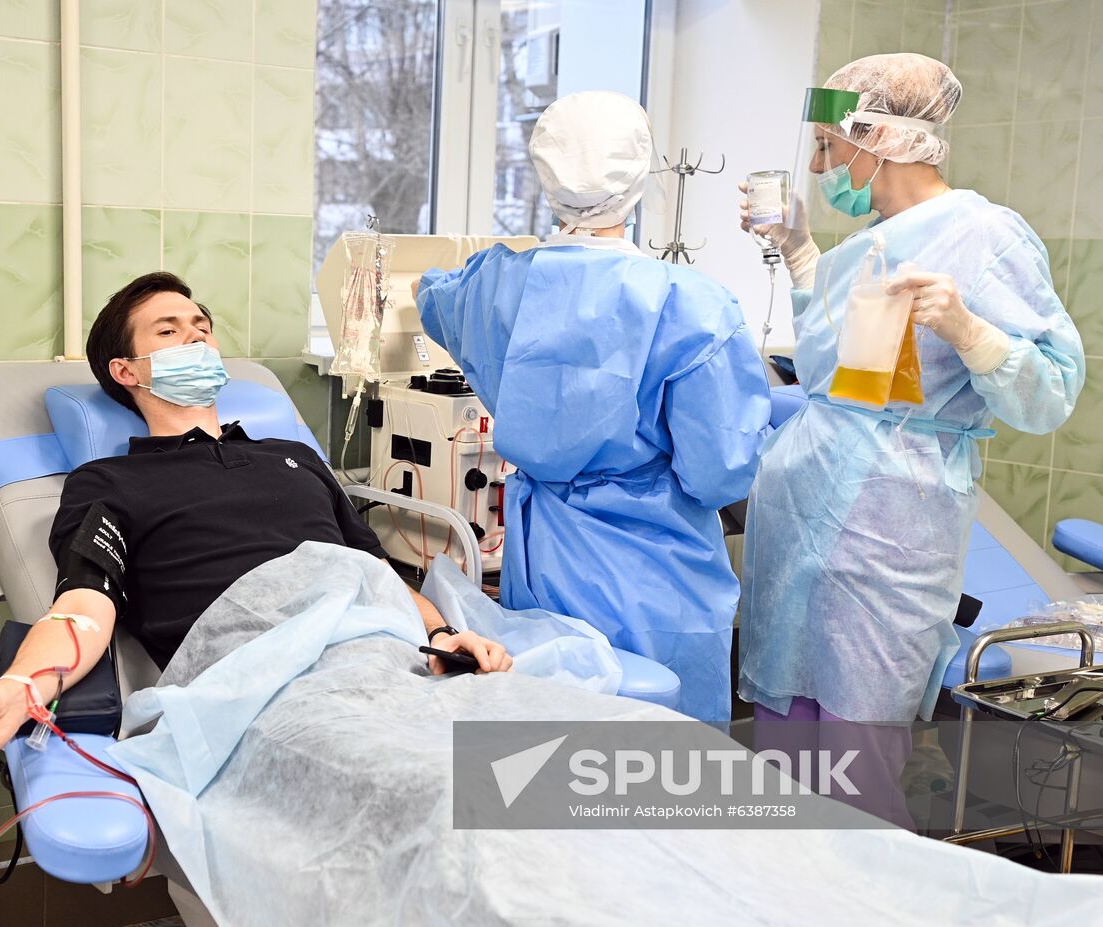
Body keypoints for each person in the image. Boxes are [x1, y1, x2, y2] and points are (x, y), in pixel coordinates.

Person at [0, 272, 512, 770]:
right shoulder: (108, 482)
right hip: (268, 695)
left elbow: (374, 572)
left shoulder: (295, 457)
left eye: (202, 328)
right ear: (127, 370)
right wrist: (17, 691)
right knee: (475, 791)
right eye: (169, 331)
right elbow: (83, 606)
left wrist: (441, 636)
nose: (195, 338)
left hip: (396, 665)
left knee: (556, 758)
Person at [737, 54, 1085, 827]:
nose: (819, 168)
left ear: (881, 137)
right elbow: (835, 372)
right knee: (783, 770)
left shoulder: (984, 236)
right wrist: (799, 252)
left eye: (828, 146)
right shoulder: (868, 245)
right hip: (799, 534)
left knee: (857, 774)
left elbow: (1051, 392)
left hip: (887, 540)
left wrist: (970, 330)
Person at [414, 91, 771, 727]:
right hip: (658, 569)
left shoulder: (489, 285)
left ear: (546, 176)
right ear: (639, 178)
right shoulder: (691, 304)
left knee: (552, 735)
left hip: (543, 555)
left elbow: (432, 296)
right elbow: (718, 473)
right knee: (661, 747)